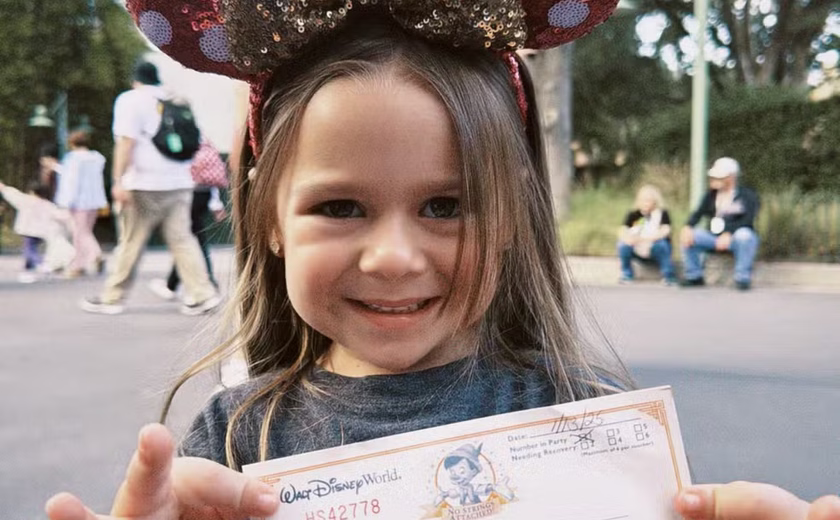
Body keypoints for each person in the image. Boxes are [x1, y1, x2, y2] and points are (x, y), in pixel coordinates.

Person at [46, 4, 839, 520]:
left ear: (511, 220)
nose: (393, 257)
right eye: (341, 207)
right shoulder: (228, 442)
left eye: (446, 206)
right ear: (270, 220)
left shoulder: (587, 429)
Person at [81, 61, 221, 316]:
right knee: (183, 240)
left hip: (143, 184)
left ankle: (112, 297)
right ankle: (203, 294)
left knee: (131, 241)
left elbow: (126, 142)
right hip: (179, 183)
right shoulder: (176, 100)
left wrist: (118, 181)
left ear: (136, 80)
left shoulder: (130, 99)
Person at [148, 139, 228, 301]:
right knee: (192, 239)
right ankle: (175, 284)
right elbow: (210, 178)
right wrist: (216, 204)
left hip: (188, 194)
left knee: (187, 241)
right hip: (203, 195)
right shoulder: (200, 139)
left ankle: (202, 285)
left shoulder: (176, 141)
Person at [680, 157, 760, 291]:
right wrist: (687, 226)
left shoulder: (747, 195)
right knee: (690, 235)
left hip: (736, 238)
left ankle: (742, 278)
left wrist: (729, 232)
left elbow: (748, 220)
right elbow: (698, 213)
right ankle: (694, 276)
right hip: (714, 237)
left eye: (719, 177)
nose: (714, 179)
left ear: (731, 177)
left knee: (745, 235)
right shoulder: (711, 195)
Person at [42, 129, 108, 277]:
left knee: (79, 233)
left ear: (71, 143)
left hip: (78, 201)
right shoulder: (96, 158)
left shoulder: (73, 159)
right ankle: (80, 263)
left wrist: (65, 201)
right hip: (94, 200)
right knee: (85, 231)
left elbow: (70, 180)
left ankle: (93, 256)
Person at [0, 180, 75, 282]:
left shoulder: (25, 200)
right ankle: (26, 272)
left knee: (29, 250)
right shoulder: (48, 205)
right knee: (30, 250)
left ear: (31, 191)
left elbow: (11, 194)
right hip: (42, 233)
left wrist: (2, 186)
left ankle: (40, 264)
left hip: (28, 231)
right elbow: (60, 215)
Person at [617, 184, 676, 285]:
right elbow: (623, 230)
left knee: (662, 244)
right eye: (643, 200)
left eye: (649, 200)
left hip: (654, 247)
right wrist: (628, 239)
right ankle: (627, 274)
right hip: (637, 248)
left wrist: (644, 239)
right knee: (622, 245)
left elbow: (665, 231)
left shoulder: (662, 213)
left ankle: (668, 276)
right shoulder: (633, 214)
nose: (646, 203)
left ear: (655, 202)